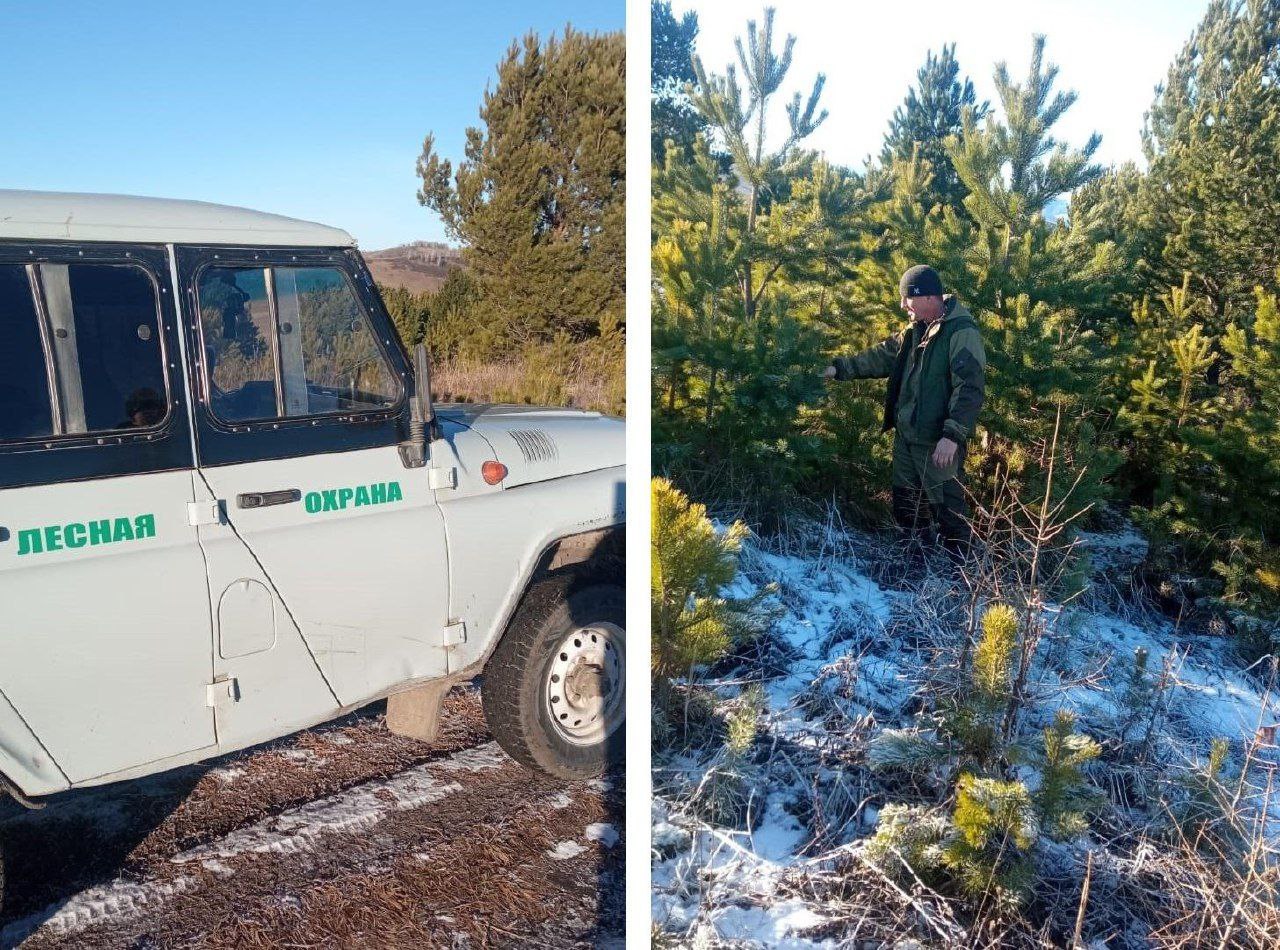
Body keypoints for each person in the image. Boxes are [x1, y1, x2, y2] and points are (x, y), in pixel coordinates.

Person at [823, 264, 985, 563]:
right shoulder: (915, 329)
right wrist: (838, 368)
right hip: (907, 437)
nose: (902, 306)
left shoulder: (961, 332)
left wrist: (952, 436)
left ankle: (960, 578)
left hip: (937, 442)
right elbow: (882, 355)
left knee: (948, 509)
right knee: (906, 505)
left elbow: (970, 388)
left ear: (926, 297)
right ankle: (913, 564)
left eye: (906, 299)